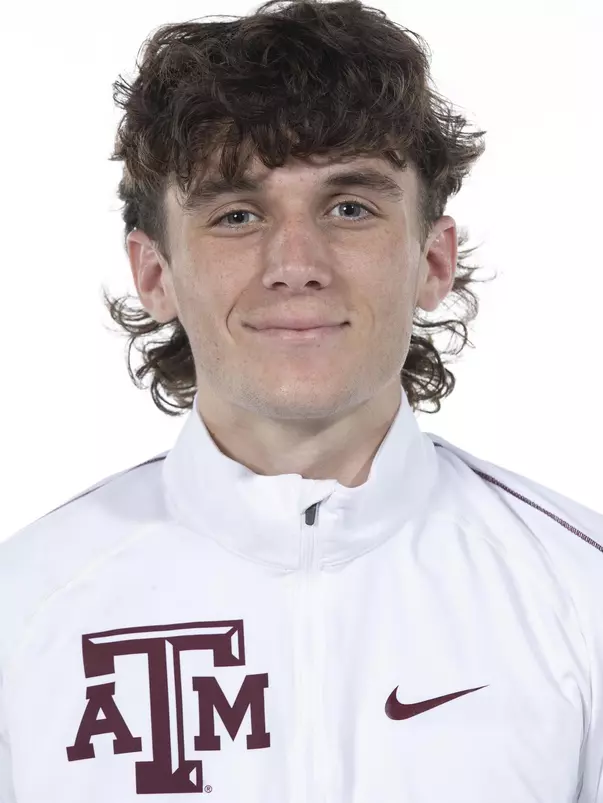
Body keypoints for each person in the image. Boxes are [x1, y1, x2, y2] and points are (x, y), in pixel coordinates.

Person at [1, 0, 601, 800]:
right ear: (154, 273)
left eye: (349, 207)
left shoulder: (580, 593)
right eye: (236, 215)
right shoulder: (24, 608)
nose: (295, 264)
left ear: (432, 259)